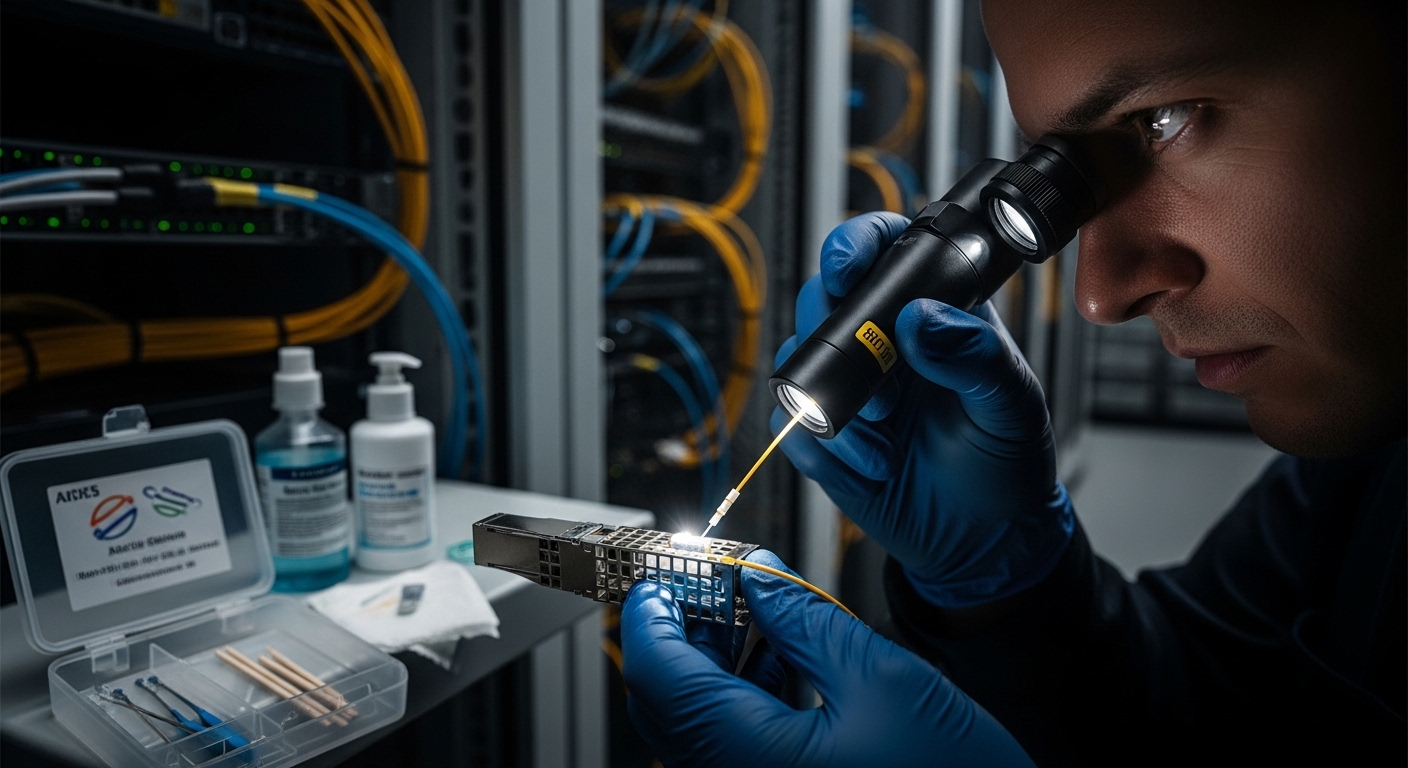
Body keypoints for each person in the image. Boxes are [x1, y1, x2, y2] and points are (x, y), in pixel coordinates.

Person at [619, 0, 1405, 765]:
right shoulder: (1366, 469)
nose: (1099, 295)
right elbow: (1196, 706)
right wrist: (1002, 582)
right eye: (1074, 180)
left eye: (1166, 118)